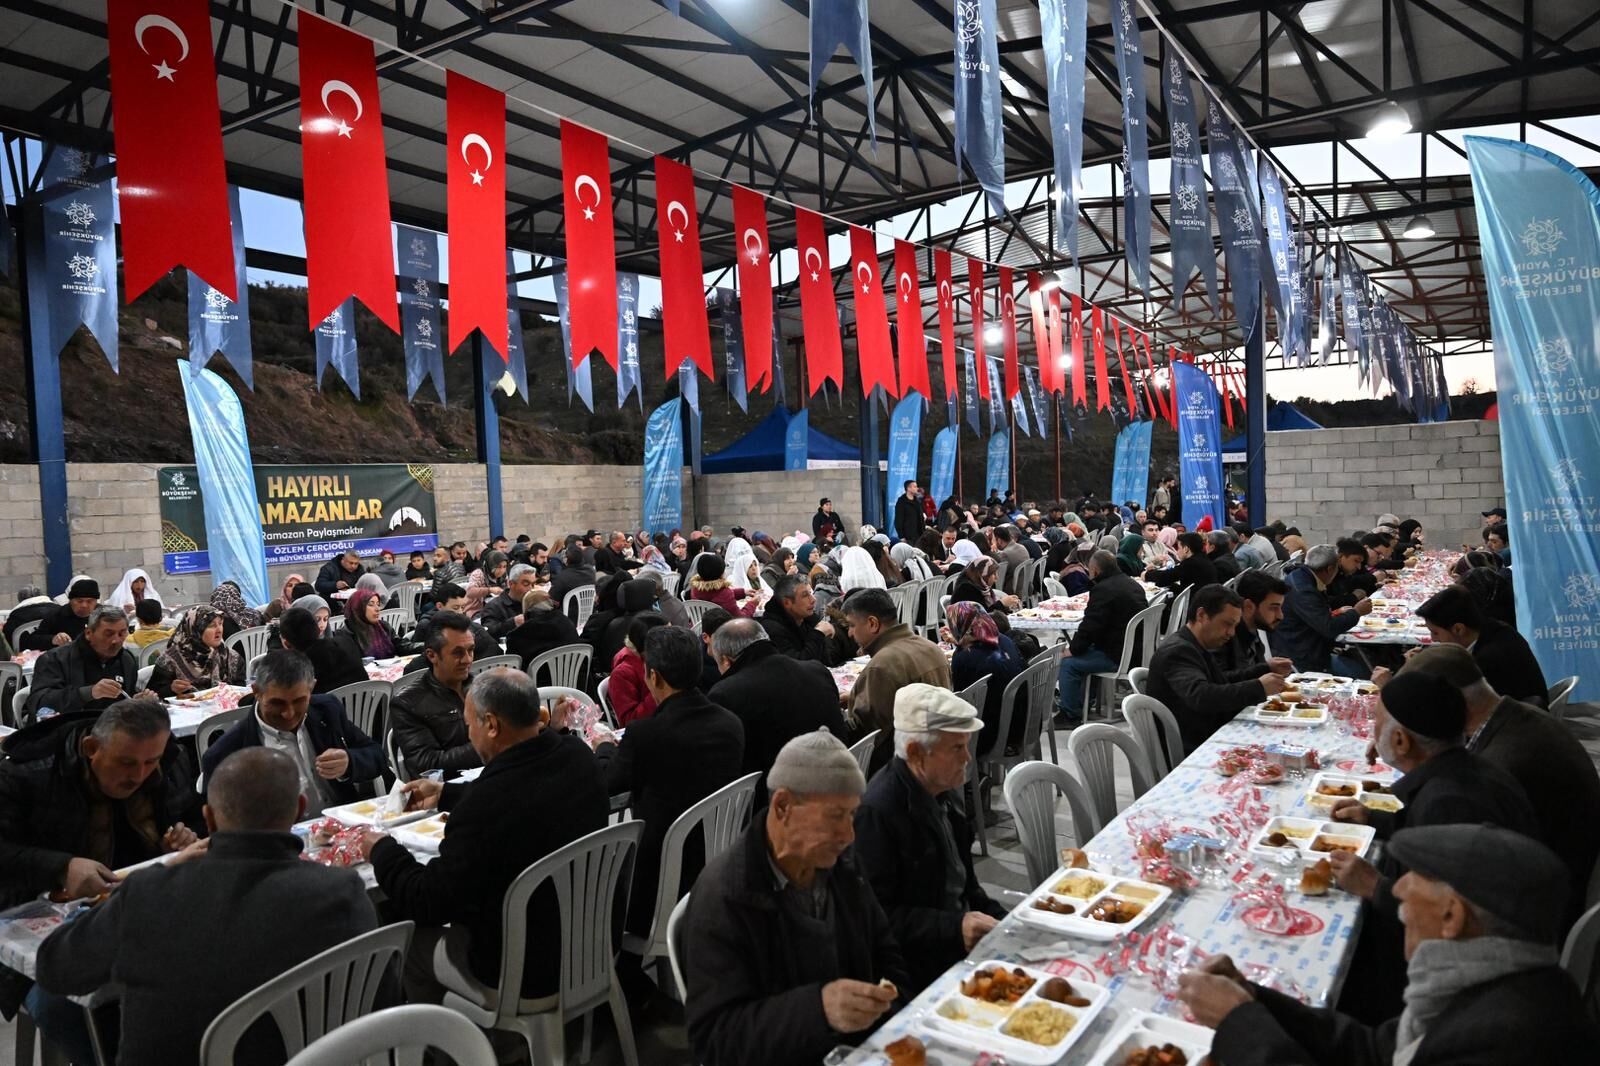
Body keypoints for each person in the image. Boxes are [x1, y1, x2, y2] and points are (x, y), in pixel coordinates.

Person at [33, 748, 380, 1066]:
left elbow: (54, 968)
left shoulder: (148, 894)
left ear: (209, 820)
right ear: (300, 809)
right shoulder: (341, 893)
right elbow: (376, 1004)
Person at [1178, 824, 1598, 1065]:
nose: (1396, 890)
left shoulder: (1506, 1038)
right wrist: (1255, 998)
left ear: (1451, 916)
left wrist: (1240, 1022)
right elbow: (1377, 1051)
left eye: (1414, 878)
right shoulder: (1486, 982)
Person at [358, 668, 608, 1003]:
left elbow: (429, 902)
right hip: (592, 940)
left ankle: (446, 1034)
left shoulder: (483, 807)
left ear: (491, 725)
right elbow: (523, 790)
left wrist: (383, 850)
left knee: (409, 944)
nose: (469, 733)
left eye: (469, 725)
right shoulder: (579, 757)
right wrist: (445, 794)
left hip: (525, 970)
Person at [682, 729, 909, 1066]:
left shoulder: (840, 865)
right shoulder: (727, 896)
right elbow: (716, 1039)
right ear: (783, 806)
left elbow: (884, 948)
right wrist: (819, 1010)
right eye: (836, 815)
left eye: (851, 815)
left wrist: (896, 1015)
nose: (849, 835)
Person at [1324, 671, 1537, 1022]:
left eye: (1376, 724)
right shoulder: (1462, 769)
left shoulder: (1450, 802)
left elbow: (1453, 919)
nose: (1373, 733)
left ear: (1401, 741)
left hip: (1460, 989)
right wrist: (1375, 818)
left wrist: (1374, 887)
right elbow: (1432, 835)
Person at [1395, 645, 1600, 930]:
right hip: (1561, 869)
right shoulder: (1520, 716)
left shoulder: (1502, 761)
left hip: (1539, 914)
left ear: (1449, 702)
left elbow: (1463, 881)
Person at [592, 628, 743, 989]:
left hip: (660, 873)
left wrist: (603, 747)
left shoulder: (647, 736)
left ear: (654, 677)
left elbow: (609, 784)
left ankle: (623, 976)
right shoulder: (730, 722)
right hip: (719, 854)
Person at [854, 684, 1004, 997]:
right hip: (916, 971)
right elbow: (873, 918)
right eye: (957, 748)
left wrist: (1003, 920)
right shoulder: (879, 813)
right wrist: (953, 928)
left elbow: (966, 886)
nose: (967, 758)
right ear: (915, 754)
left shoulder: (943, 792)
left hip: (956, 945)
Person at [0, 698, 198, 908]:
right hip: (49, 904)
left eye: (150, 762)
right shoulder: (26, 775)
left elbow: (193, 818)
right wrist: (61, 867)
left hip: (141, 894)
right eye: (126, 762)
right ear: (91, 748)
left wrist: (180, 839)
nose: (138, 776)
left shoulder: (169, 761)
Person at [201, 650, 386, 807]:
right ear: (256, 692)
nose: (288, 714)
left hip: (340, 824)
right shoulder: (227, 753)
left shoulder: (326, 711)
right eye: (277, 703)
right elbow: (221, 823)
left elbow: (377, 756)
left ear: (312, 688)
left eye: (299, 701)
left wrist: (349, 762)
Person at [708, 619, 845, 803]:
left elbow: (726, 767)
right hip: (840, 783)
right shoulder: (817, 670)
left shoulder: (726, 693)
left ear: (725, 660)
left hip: (780, 803)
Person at [1146, 584, 1290, 754]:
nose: (1231, 633)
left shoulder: (1195, 645)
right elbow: (1201, 695)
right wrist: (1258, 687)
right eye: (1227, 624)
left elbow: (1220, 681)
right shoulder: (1178, 651)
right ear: (1201, 615)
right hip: (1191, 745)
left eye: (1235, 626)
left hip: (1204, 732)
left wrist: (1264, 668)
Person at [842, 588, 952, 775]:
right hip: (938, 755)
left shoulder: (882, 665)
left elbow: (866, 735)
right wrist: (855, 696)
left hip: (902, 772)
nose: (850, 633)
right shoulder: (931, 647)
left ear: (872, 624)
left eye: (852, 625)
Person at [1416, 584, 1548, 707]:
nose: (1433, 638)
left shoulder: (1486, 661)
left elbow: (1457, 707)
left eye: (1435, 632)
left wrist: (1419, 669)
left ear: (1458, 629)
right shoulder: (1495, 628)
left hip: (1518, 720)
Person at [1056, 550, 1148, 724]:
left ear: (1096, 570)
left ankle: (1070, 714)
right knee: (1086, 650)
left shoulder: (1103, 590)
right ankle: (1083, 702)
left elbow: (1090, 626)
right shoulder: (1132, 584)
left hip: (1118, 655)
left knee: (1068, 663)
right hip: (1137, 649)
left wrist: (1073, 649)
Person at [390, 610, 481, 776]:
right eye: (458, 652)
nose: (467, 659)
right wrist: (488, 744)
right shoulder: (408, 703)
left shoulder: (483, 687)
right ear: (432, 655)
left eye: (471, 650)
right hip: (448, 787)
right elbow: (426, 765)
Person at [26, 605, 149, 720]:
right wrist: (88, 693)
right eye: (108, 634)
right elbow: (39, 702)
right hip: (66, 727)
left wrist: (135, 702)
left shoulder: (126, 660)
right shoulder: (55, 659)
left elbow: (126, 698)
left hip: (112, 728)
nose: (116, 640)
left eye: (122, 633)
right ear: (89, 633)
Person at [1275, 543, 1372, 675]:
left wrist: (1338, 612)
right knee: (1362, 672)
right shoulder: (1303, 590)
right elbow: (1328, 628)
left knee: (1362, 659)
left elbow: (1319, 614)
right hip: (1301, 656)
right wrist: (1357, 612)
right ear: (1330, 569)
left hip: (1310, 646)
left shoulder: (1303, 576)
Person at [946, 601, 1026, 754]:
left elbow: (962, 699)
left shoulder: (964, 656)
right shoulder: (1004, 640)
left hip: (992, 735)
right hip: (1023, 722)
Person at [147, 605, 245, 698]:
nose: (219, 630)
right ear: (195, 630)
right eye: (211, 625)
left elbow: (241, 693)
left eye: (220, 624)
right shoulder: (169, 660)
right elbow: (152, 695)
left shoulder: (231, 657)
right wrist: (171, 689)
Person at [276, 604, 367, 694]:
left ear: (287, 643)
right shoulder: (346, 642)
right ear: (317, 629)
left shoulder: (300, 666)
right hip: (366, 701)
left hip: (328, 703)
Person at [409, 582, 500, 667]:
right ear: (439, 606)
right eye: (455, 608)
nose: (460, 612)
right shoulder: (426, 625)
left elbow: (495, 651)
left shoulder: (469, 625)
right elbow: (415, 656)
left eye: (463, 607)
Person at [1218, 570, 1290, 677]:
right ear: (1249, 606)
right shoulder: (1224, 635)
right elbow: (1218, 680)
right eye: (1273, 608)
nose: (1280, 616)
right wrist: (1265, 669)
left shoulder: (1253, 630)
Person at [607, 613, 669, 725]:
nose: (673, 643)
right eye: (669, 639)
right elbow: (628, 721)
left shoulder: (663, 659)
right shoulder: (622, 674)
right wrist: (661, 688)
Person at [759, 573, 836, 664]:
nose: (813, 599)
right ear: (787, 603)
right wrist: (818, 634)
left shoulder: (807, 617)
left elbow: (825, 660)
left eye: (811, 593)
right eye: (805, 595)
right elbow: (797, 665)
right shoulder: (772, 629)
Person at [506, 588, 584, 675]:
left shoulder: (518, 636)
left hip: (536, 682)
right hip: (574, 680)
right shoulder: (566, 623)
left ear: (526, 609)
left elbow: (512, 667)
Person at [23, 577, 100, 651]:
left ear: (96, 601)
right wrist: (53, 639)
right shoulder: (57, 615)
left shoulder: (102, 615)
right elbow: (31, 641)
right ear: (70, 601)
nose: (84, 605)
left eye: (89, 601)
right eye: (79, 601)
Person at [333, 587, 407, 661]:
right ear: (358, 608)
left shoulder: (384, 627)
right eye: (371, 604)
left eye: (378, 604)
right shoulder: (345, 635)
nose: (377, 609)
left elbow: (401, 646)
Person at [478, 562, 538, 639]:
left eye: (533, 584)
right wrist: (513, 623)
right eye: (526, 584)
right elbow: (488, 632)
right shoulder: (494, 606)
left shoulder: (535, 603)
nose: (530, 589)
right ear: (511, 584)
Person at [1146, 531, 1218, 594]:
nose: (1177, 552)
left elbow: (1166, 576)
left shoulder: (1190, 563)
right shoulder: (1204, 558)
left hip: (1196, 601)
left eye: (1179, 548)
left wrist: (1147, 574)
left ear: (1186, 549)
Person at [688, 553, 759, 617]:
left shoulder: (695, 589)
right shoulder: (725, 594)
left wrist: (743, 592)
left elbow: (715, 594)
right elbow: (740, 618)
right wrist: (752, 604)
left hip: (699, 625)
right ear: (721, 573)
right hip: (722, 626)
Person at [548, 543, 598, 618]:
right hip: (590, 614)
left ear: (567, 559)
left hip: (568, 617)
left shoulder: (562, 577)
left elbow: (553, 601)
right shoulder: (591, 571)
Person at [1328, 537, 1379, 608]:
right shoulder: (1328, 573)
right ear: (1340, 556)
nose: (1359, 567)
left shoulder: (1344, 573)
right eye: (1356, 561)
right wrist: (1353, 597)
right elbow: (1325, 602)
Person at [461, 549, 507, 619]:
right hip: (477, 610)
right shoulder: (478, 574)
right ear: (491, 565)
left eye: (504, 567)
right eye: (499, 567)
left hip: (497, 607)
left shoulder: (504, 576)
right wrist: (489, 590)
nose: (502, 570)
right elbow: (470, 592)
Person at [993, 525, 1031, 596]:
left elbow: (998, 576)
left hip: (1012, 592)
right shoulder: (1022, 547)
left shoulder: (1005, 554)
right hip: (1025, 587)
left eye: (993, 540)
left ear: (999, 540)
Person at [892, 480, 926, 545]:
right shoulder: (901, 502)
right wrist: (901, 536)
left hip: (920, 535)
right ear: (908, 488)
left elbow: (920, 516)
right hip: (908, 537)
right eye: (915, 486)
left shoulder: (917, 501)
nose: (917, 488)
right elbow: (898, 519)